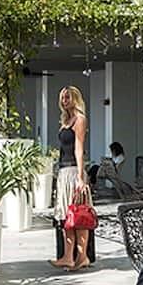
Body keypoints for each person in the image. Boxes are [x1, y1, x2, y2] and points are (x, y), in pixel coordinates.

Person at [51, 86, 93, 271]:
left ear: (75, 98)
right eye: (62, 97)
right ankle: (68, 257)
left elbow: (79, 148)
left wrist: (80, 177)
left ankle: (82, 257)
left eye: (67, 97)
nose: (64, 100)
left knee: (79, 215)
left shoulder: (79, 119)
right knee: (66, 216)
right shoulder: (65, 121)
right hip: (63, 171)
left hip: (74, 171)